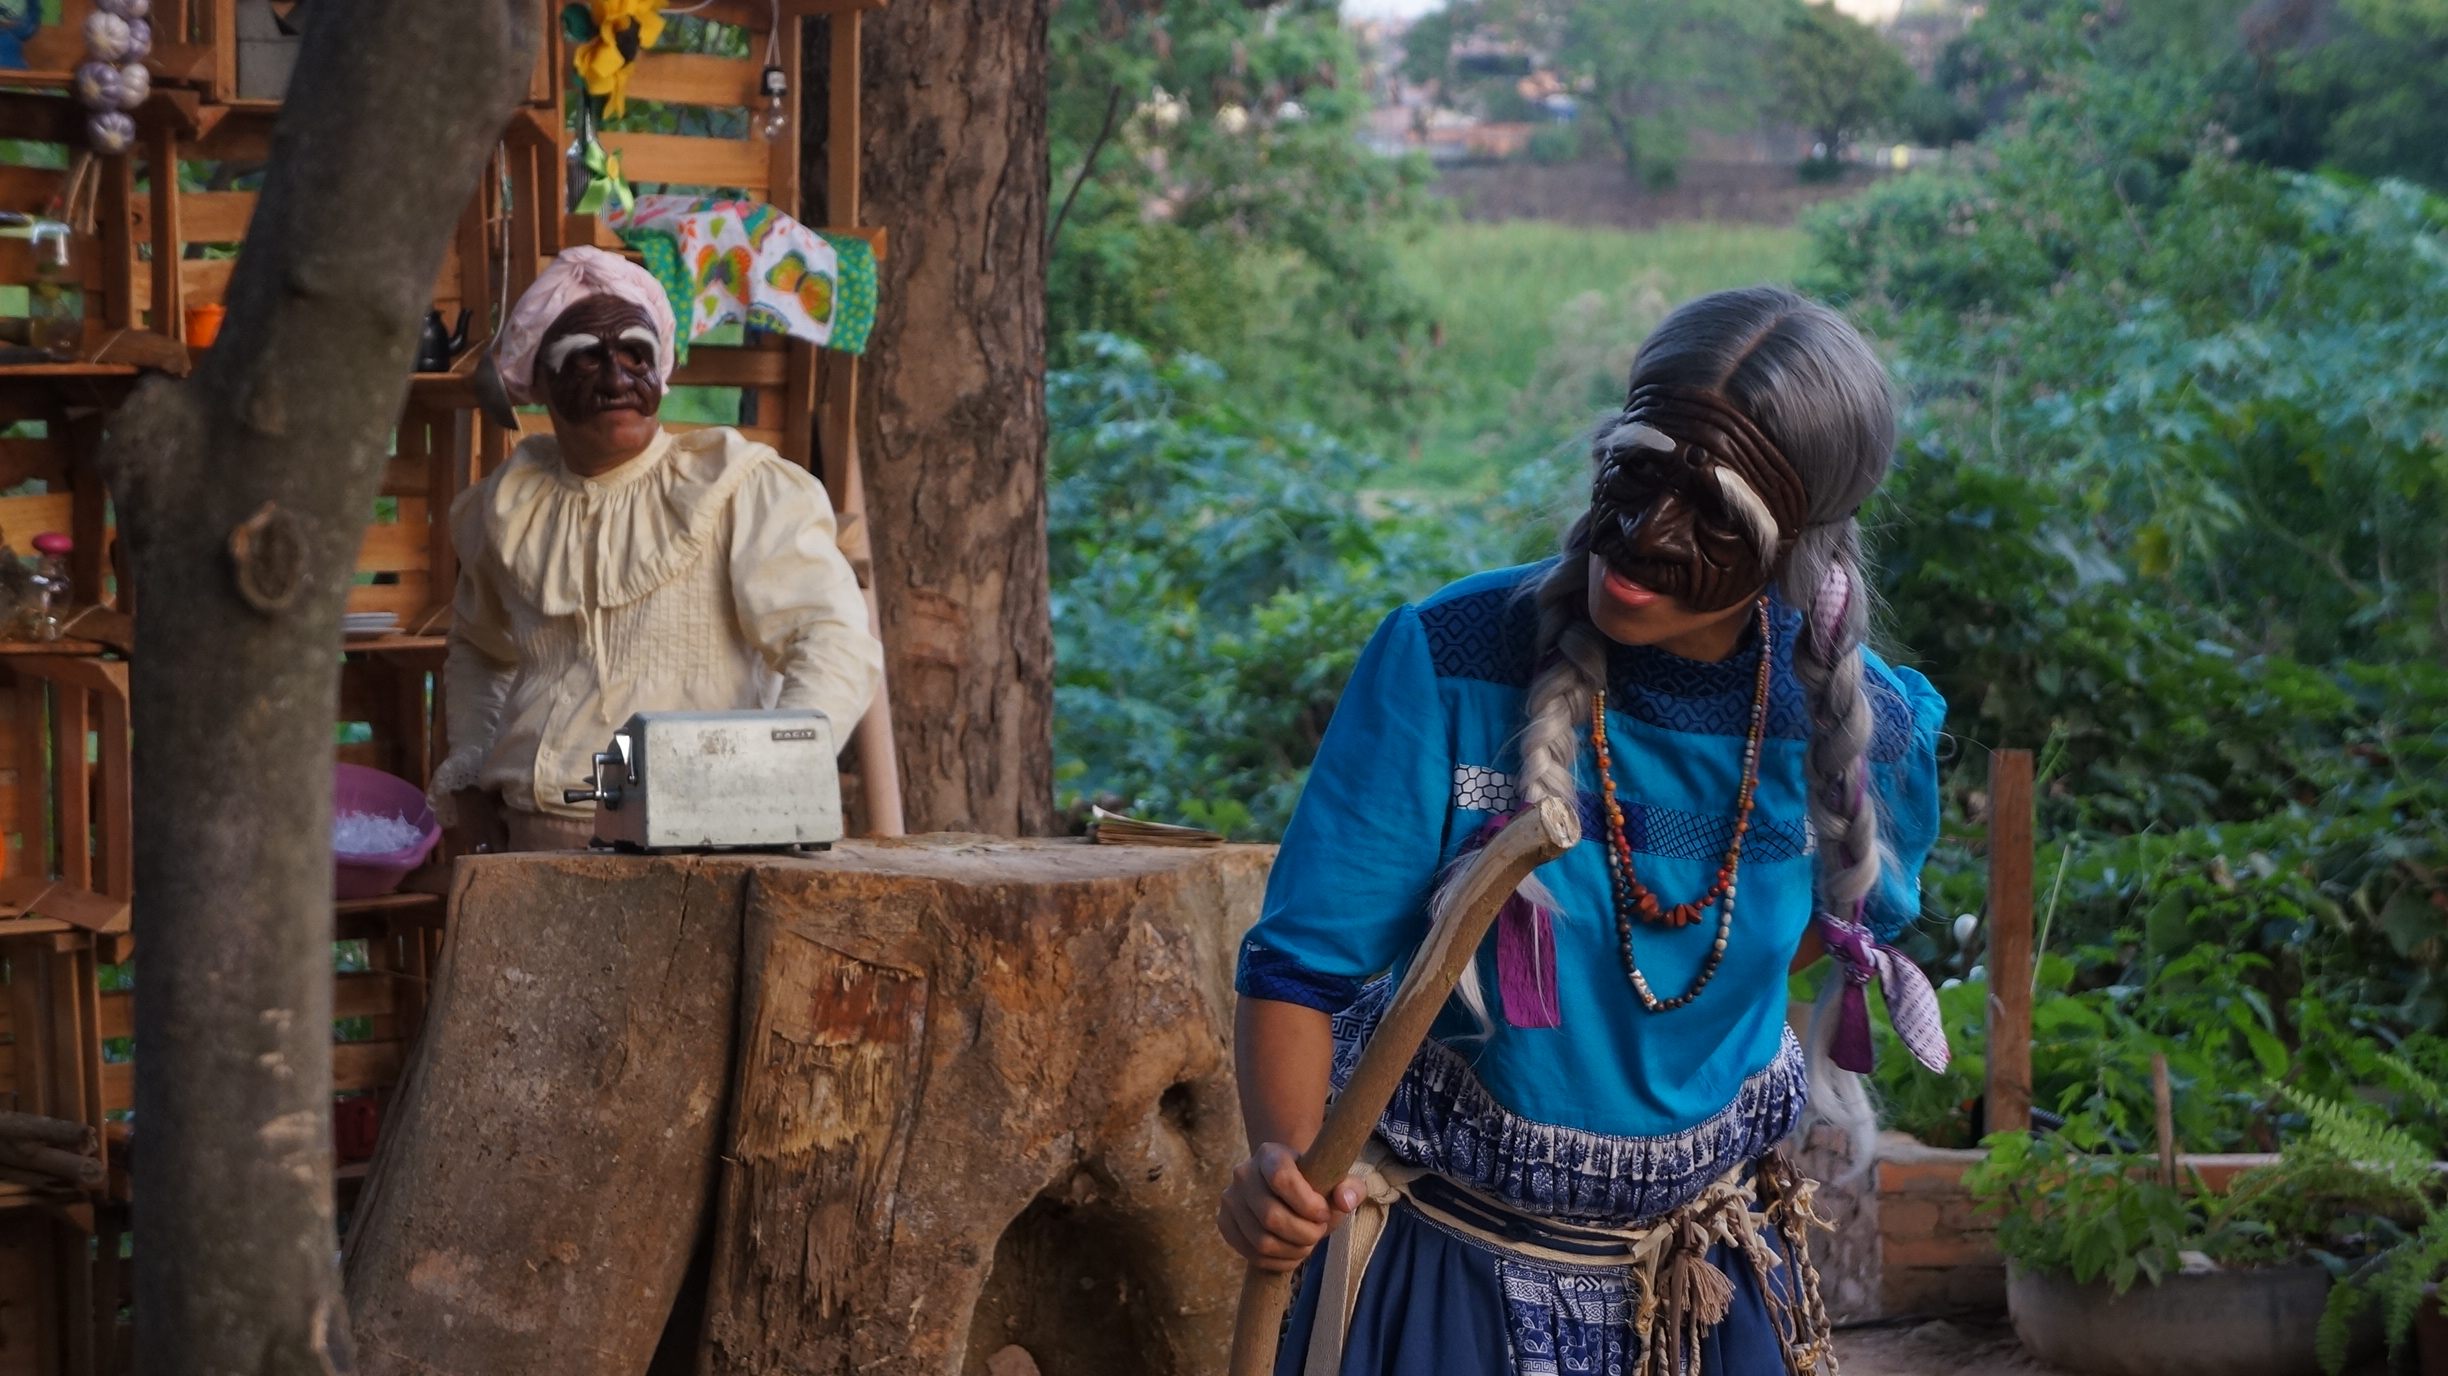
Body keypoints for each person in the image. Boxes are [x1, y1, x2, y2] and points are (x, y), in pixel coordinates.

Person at [1219, 287, 1949, 1375]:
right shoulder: (1451, 665)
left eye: (1712, 513)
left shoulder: (1863, 733)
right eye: (1633, 468)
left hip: (1707, 1290)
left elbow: (1823, 934)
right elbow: (1298, 969)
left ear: (1794, 545)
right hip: (1447, 1284)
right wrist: (1284, 1165)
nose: (1641, 535)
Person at [430, 246, 883, 853]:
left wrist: (763, 786)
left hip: (695, 856)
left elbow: (833, 644)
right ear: (538, 379)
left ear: (661, 368)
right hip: (530, 844)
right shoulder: (507, 509)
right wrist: (473, 764)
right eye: (585, 359)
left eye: (635, 355)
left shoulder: (737, 491)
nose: (616, 380)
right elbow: (479, 650)